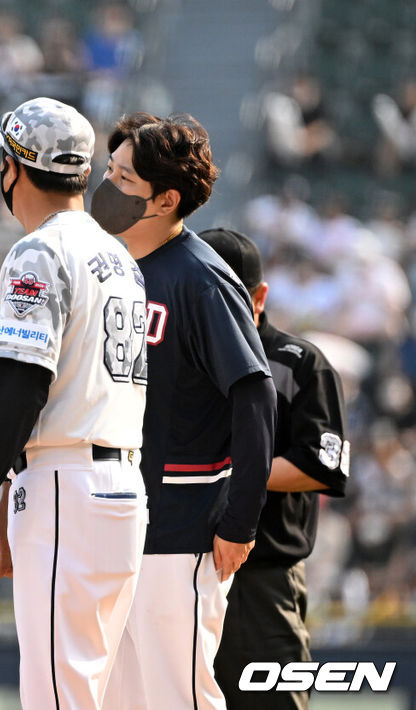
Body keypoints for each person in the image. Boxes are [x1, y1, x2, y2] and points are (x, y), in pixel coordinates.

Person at [0, 96, 149, 710]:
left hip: (64, 490)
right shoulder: (119, 258)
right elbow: (63, 349)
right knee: (98, 691)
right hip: (122, 489)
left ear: (16, 170)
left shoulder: (38, 250)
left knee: (55, 697)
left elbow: (22, 389)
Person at [90, 112, 278, 710]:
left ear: (166, 199)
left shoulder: (200, 278)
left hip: (180, 527)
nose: (108, 186)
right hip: (115, 521)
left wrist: (240, 521)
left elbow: (255, 393)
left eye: (125, 179)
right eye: (111, 170)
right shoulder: (112, 265)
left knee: (179, 698)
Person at [201, 228, 350, 710]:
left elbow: (323, 466)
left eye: (230, 296)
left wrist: (227, 472)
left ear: (258, 296)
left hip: (262, 575)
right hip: (177, 568)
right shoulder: (171, 358)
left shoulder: (299, 363)